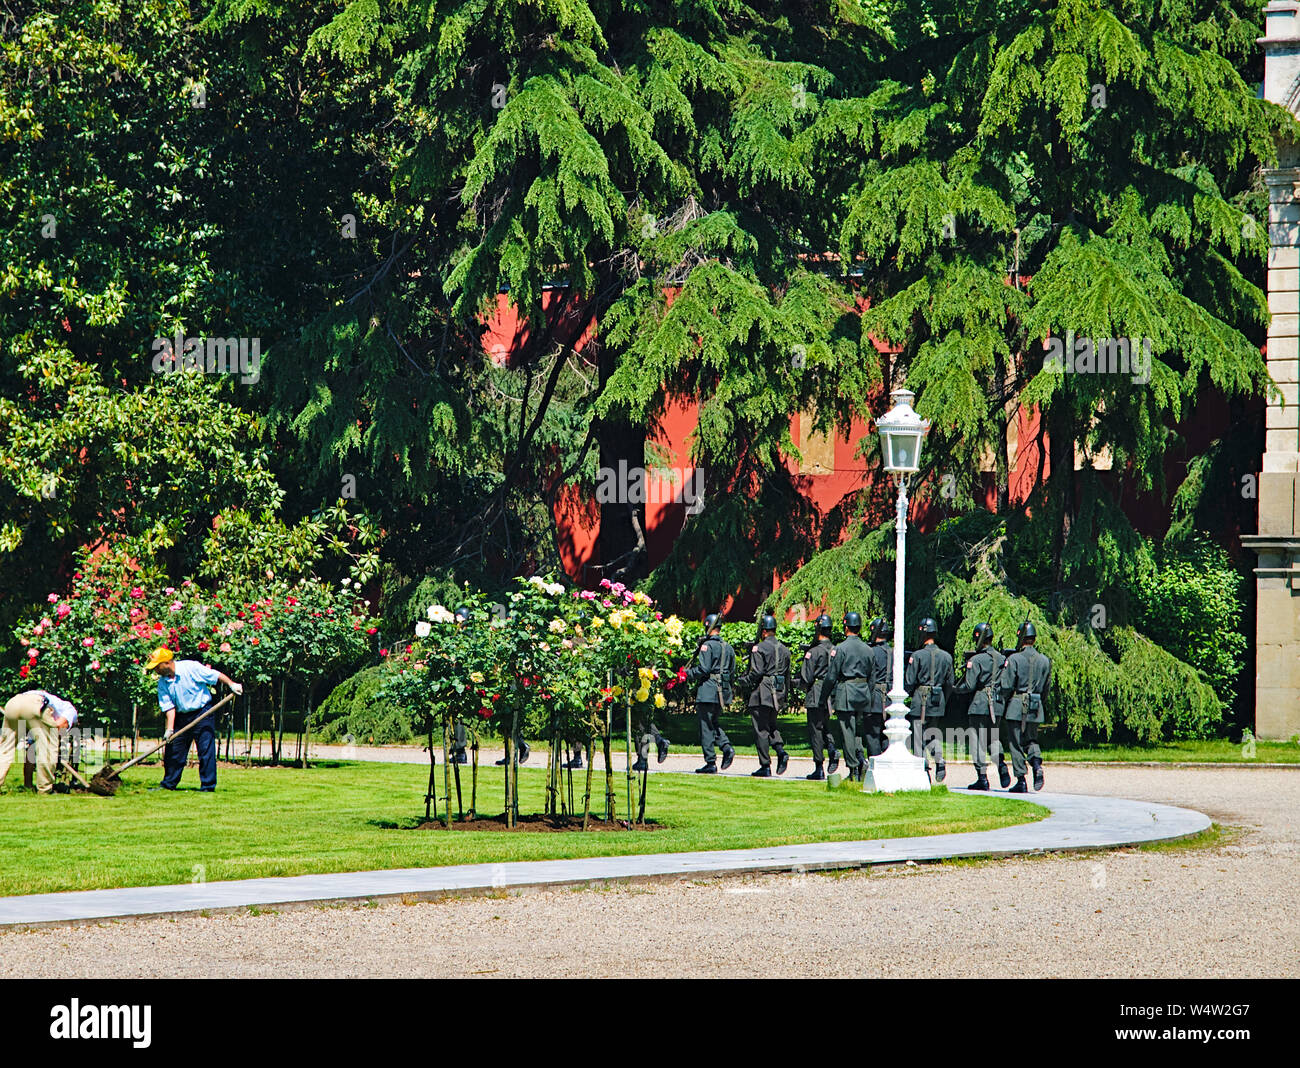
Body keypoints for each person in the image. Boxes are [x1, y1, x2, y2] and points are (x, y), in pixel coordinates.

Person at [144, 646, 242, 792]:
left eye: (157, 667)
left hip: (202, 713)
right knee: (173, 751)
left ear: (166, 663)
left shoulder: (190, 668)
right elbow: (169, 707)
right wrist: (169, 729)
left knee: (205, 751)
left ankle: (208, 786)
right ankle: (168, 784)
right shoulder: (162, 683)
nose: (155, 670)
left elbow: (214, 675)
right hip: (181, 716)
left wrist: (231, 684)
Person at [998, 621, 1052, 792]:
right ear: (1034, 639)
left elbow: (1006, 685)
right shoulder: (1045, 660)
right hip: (1036, 705)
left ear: (1021, 638)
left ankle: (1021, 779)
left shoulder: (1014, 659)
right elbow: (1046, 688)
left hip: (1016, 704)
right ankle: (1037, 765)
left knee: (1015, 743)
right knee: (1031, 739)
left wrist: (1005, 701)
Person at [955, 622, 1006, 790]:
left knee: (977, 740)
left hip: (979, 704)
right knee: (994, 738)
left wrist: (955, 689)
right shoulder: (1002, 658)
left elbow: (969, 685)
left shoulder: (975, 660)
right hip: (997, 703)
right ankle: (1001, 765)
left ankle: (982, 778)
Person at [824, 612, 874, 782]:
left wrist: (824, 696)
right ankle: (861, 759)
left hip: (846, 690)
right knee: (858, 732)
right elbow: (872, 677)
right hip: (863, 691)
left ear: (846, 627)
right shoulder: (868, 649)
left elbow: (831, 676)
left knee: (847, 732)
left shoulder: (841, 648)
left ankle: (853, 768)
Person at [740, 615, 791, 777]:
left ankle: (765, 765)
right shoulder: (785, 649)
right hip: (778, 691)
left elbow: (757, 672)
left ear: (763, 631)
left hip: (762, 692)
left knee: (761, 729)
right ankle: (780, 751)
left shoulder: (759, 648)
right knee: (771, 724)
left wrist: (743, 681)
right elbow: (787, 676)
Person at [904, 618, 954, 782]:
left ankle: (922, 771)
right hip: (937, 699)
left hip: (921, 698)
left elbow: (910, 682)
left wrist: (908, 696)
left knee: (918, 738)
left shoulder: (917, 656)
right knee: (932, 735)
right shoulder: (946, 657)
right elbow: (950, 683)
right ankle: (939, 759)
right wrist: (943, 700)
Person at [0, 690, 78, 794]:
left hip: (13, 703)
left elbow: (32, 747)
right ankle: (45, 789)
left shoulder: (52, 709)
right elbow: (60, 726)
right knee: (48, 748)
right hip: (35, 705)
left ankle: (28, 787)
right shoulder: (70, 710)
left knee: (5, 749)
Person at [685, 613, 736, 773]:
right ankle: (726, 747)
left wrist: (687, 674)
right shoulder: (728, 647)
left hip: (707, 690)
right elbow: (732, 671)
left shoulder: (707, 646)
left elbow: (704, 669)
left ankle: (710, 761)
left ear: (708, 626)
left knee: (706, 727)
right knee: (714, 722)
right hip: (722, 691)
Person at [798, 614, 839, 780]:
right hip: (832, 693)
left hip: (817, 691)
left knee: (815, 729)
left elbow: (806, 677)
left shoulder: (813, 652)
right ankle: (831, 748)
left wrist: (800, 685)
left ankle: (819, 766)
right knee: (826, 725)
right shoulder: (837, 649)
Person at [864, 616, 893, 761]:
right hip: (890, 699)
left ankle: (875, 767)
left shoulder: (870, 652)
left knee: (872, 735)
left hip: (874, 698)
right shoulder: (894, 652)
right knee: (887, 734)